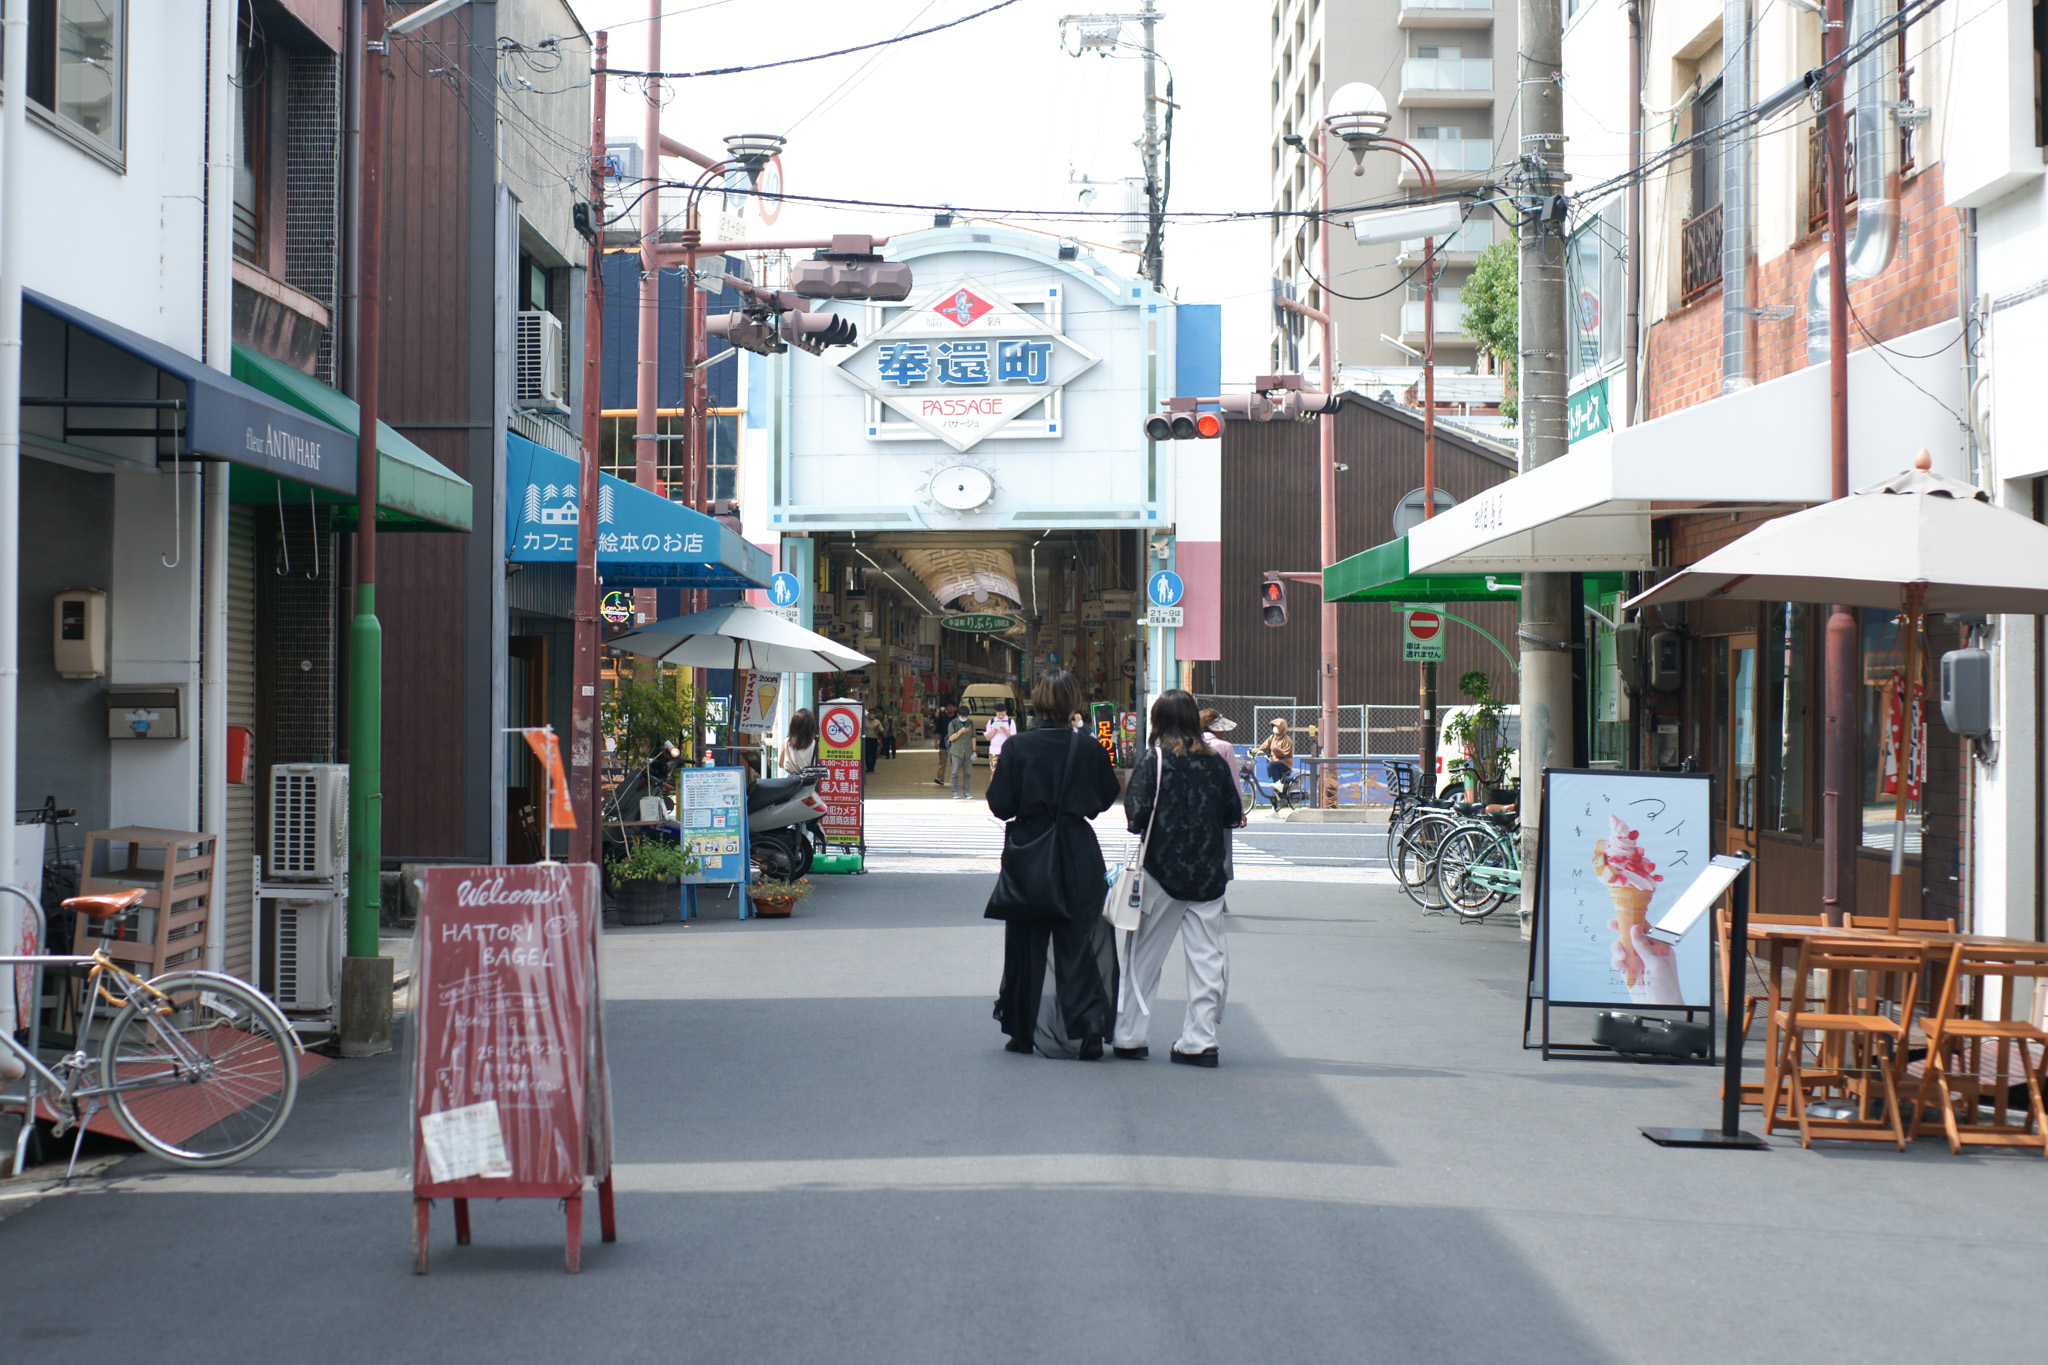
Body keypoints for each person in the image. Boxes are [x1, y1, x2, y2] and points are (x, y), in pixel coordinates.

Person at [986, 669, 1121, 1057]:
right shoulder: (1089, 747)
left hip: (1030, 850)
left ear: (1037, 702)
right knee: (1078, 939)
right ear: (1073, 704)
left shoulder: (1017, 747)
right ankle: (1089, 1030)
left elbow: (1001, 805)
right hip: (1077, 850)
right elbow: (1103, 799)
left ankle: (1022, 1030)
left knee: (1026, 941)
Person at [1113, 690, 1246, 1068]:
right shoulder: (1216, 763)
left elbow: (1135, 818)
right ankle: (1200, 1041)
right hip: (1207, 877)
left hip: (1160, 875)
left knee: (1143, 958)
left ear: (1158, 721)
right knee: (1207, 960)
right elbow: (1232, 814)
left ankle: (1130, 1036)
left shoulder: (1154, 761)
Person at [946, 704, 977, 799]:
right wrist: (960, 732)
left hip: (968, 752)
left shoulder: (970, 723)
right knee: (955, 772)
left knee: (968, 772)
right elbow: (950, 738)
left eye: (966, 716)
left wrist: (974, 751)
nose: (964, 718)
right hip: (956, 752)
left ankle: (967, 792)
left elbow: (973, 737)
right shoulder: (953, 723)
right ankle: (955, 792)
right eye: (962, 716)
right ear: (958, 714)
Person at [983, 702, 1017, 779]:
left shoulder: (1010, 722)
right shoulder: (991, 722)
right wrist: (994, 730)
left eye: (1002, 714)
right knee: (994, 772)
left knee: (1007, 772)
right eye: (999, 714)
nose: (1000, 716)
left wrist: (1005, 730)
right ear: (996, 713)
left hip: (1007, 751)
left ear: (1006, 712)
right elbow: (988, 737)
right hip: (994, 751)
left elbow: (1013, 737)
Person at [780, 708, 817, 775]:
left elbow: (781, 764)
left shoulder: (786, 742)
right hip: (810, 782)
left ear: (793, 725)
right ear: (811, 726)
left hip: (791, 782)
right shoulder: (815, 744)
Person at [934, 704, 954, 787]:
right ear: (946, 708)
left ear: (955, 708)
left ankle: (954, 779)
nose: (950, 708)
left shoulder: (957, 719)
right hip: (943, 744)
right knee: (942, 762)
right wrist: (936, 742)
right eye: (949, 706)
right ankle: (940, 778)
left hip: (955, 745)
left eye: (952, 706)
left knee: (955, 763)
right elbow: (938, 732)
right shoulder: (942, 719)